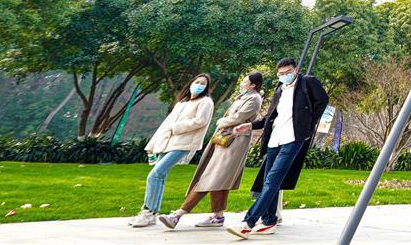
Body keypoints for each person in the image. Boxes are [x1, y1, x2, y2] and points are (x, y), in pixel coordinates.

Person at [226, 57, 327, 239]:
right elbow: (271, 117)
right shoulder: (280, 89)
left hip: (293, 139)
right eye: (281, 73)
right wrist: (250, 126)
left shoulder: (307, 82)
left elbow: (323, 100)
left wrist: (308, 126)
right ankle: (269, 221)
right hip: (275, 139)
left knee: (272, 181)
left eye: (288, 72)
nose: (285, 76)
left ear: (296, 70)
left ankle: (248, 223)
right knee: (269, 181)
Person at [157, 72, 264, 230]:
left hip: (235, 142)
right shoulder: (242, 97)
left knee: (211, 177)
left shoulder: (254, 98)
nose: (242, 83)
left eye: (244, 81)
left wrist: (221, 121)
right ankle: (218, 216)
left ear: (253, 85)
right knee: (219, 179)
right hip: (225, 139)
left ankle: (178, 215)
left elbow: (239, 118)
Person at [129, 73, 214, 227]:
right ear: (191, 83)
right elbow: (165, 125)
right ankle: (151, 214)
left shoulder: (206, 102)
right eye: (197, 82)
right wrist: (152, 144)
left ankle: (148, 211)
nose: (198, 85)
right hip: (167, 142)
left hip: (184, 143)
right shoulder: (182, 103)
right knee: (159, 176)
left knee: (154, 175)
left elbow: (201, 121)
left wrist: (177, 127)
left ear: (206, 88)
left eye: (203, 83)